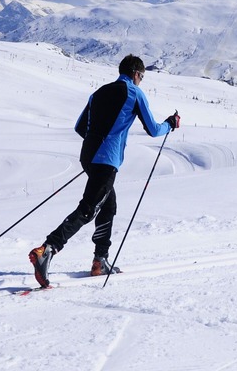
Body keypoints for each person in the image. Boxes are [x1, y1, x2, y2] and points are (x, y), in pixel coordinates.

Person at [29, 54, 180, 288]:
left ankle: (100, 259)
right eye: (142, 77)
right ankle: (47, 249)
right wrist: (170, 123)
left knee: (108, 205)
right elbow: (153, 129)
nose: (141, 81)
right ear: (136, 74)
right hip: (106, 159)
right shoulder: (135, 93)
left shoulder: (98, 92)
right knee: (89, 209)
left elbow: (80, 126)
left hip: (89, 156)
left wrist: (95, 145)